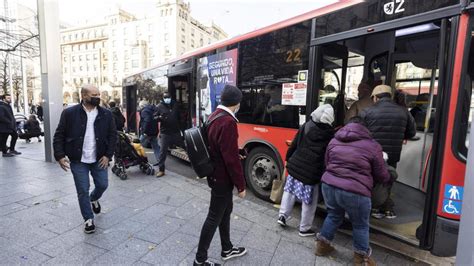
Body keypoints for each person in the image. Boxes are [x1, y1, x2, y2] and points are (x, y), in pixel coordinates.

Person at [315, 116, 391, 266]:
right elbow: (382, 175)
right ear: (365, 128)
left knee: (333, 215)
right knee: (360, 224)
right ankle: (361, 259)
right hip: (355, 191)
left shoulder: (334, 140)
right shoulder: (372, 145)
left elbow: (327, 162)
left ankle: (322, 246)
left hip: (329, 185)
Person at [53, 84, 117, 234]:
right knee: (82, 190)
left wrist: (108, 155)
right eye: (94, 94)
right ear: (83, 96)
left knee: (102, 185)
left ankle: (94, 198)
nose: (97, 97)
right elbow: (59, 135)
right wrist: (60, 155)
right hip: (78, 160)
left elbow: (113, 136)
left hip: (99, 158)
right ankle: (88, 219)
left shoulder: (106, 114)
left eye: (98, 94)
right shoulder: (69, 113)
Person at [194, 85, 247, 266]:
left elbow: (219, 146)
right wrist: (241, 185)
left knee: (225, 212)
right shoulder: (228, 122)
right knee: (213, 217)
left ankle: (227, 248)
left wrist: (235, 150)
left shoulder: (215, 115)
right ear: (236, 103)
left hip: (215, 174)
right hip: (222, 178)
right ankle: (200, 260)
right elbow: (231, 160)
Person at [277, 104, 335, 237]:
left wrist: (288, 158)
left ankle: (282, 216)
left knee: (289, 192)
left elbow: (295, 143)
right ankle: (304, 228)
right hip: (312, 172)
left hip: (296, 165)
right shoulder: (330, 134)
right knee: (309, 200)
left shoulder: (307, 125)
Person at [360, 85, 416, 219]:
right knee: (388, 179)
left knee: (372, 179)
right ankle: (387, 208)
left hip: (372, 153)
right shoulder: (404, 112)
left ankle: (375, 207)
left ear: (375, 97)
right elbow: (411, 132)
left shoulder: (367, 111)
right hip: (393, 154)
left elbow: (360, 132)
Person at [154, 92, 183, 177]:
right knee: (163, 151)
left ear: (171, 97)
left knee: (184, 146)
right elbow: (154, 117)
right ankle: (161, 170)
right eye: (165, 97)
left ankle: (197, 166)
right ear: (163, 98)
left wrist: (181, 128)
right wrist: (159, 118)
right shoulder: (159, 106)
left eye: (168, 97)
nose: (167, 99)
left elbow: (179, 117)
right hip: (165, 132)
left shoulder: (175, 105)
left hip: (175, 131)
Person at [139, 101, 160, 165]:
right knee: (155, 146)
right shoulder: (153, 110)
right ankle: (160, 161)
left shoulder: (144, 111)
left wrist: (144, 131)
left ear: (142, 106)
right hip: (154, 131)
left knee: (137, 145)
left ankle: (138, 160)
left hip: (147, 132)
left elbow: (147, 121)